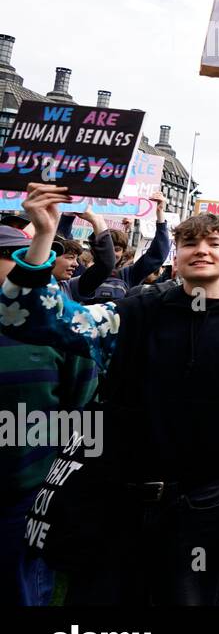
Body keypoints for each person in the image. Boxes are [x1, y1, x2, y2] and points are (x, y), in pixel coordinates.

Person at [2, 184, 219, 605]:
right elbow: (30, 319)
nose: (200, 249)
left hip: (202, 506)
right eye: (189, 242)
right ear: (175, 257)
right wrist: (41, 238)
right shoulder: (135, 311)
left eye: (213, 242)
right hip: (117, 501)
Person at [0, 223, 98, 606]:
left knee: (20, 589)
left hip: (25, 492)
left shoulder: (59, 325)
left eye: (10, 256)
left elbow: (81, 406)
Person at [84, 192, 171, 303]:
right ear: (93, 250)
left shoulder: (129, 275)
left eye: (117, 249)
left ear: (123, 252)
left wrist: (160, 214)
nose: (110, 253)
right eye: (106, 247)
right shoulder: (79, 272)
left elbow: (157, 254)